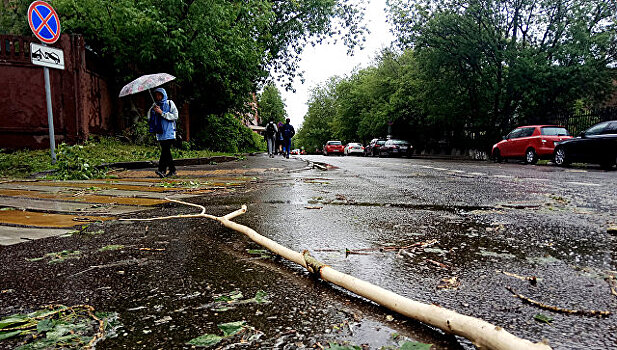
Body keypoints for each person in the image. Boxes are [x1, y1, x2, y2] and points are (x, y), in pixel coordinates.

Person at [148, 87, 179, 178]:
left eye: (159, 95)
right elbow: (149, 117)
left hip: (169, 132)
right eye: (156, 95)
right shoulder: (155, 105)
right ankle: (169, 170)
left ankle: (163, 169)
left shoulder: (170, 103)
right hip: (160, 132)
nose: (158, 97)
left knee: (165, 150)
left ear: (163, 95)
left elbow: (175, 116)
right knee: (166, 152)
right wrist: (153, 112)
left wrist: (162, 113)